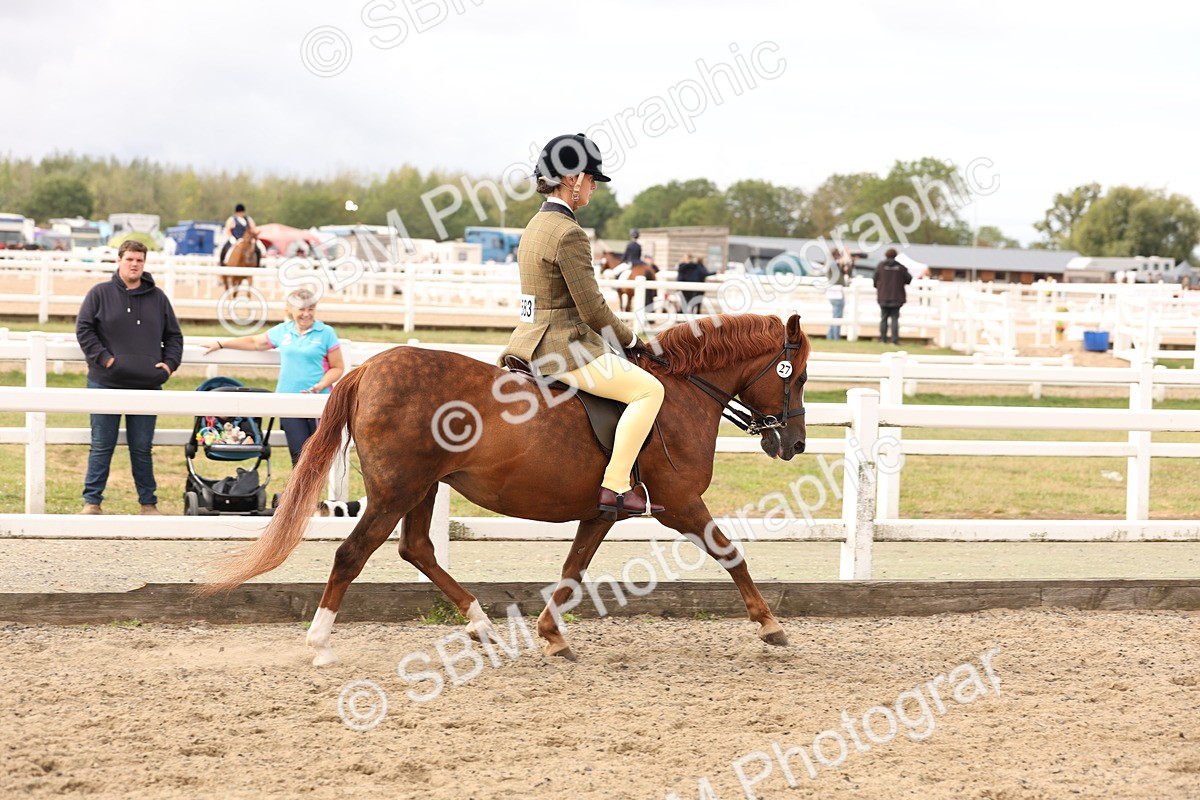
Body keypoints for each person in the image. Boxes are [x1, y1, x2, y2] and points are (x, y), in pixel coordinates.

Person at [500, 133, 665, 518]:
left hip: (526, 340)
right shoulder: (569, 233)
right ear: (573, 179)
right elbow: (592, 311)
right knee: (648, 391)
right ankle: (618, 486)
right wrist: (633, 339)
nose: (593, 187)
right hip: (561, 348)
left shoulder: (535, 225)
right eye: (591, 179)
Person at [76, 240, 184, 515]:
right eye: (129, 259)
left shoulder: (158, 298)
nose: (134, 264)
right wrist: (106, 359)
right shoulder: (99, 293)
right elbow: (84, 329)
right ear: (119, 261)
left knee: (141, 447)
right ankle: (93, 502)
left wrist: (169, 365)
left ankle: (148, 503)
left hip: (147, 385)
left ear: (144, 264)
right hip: (105, 381)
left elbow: (173, 336)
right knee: (101, 444)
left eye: (139, 260)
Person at [202, 289, 345, 465]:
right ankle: (301, 492)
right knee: (299, 454)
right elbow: (255, 342)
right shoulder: (283, 331)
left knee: (319, 456)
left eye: (311, 309)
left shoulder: (326, 333)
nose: (306, 314)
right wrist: (221, 343)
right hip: (288, 401)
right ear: (289, 309)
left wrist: (320, 385)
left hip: (319, 402)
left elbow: (338, 367)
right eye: (301, 309)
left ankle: (314, 492)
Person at [874, 247, 912, 345]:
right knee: (895, 319)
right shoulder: (901, 267)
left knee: (884, 318)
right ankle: (894, 340)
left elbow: (875, 279)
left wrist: (880, 288)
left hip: (883, 296)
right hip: (897, 297)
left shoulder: (880, 266)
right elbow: (909, 279)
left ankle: (883, 339)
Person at [825, 249, 855, 341]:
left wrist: (851, 262)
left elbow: (846, 271)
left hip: (835, 291)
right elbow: (841, 262)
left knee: (835, 315)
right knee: (837, 315)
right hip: (836, 292)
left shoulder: (834, 265)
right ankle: (835, 337)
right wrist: (847, 255)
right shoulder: (833, 264)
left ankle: (831, 336)